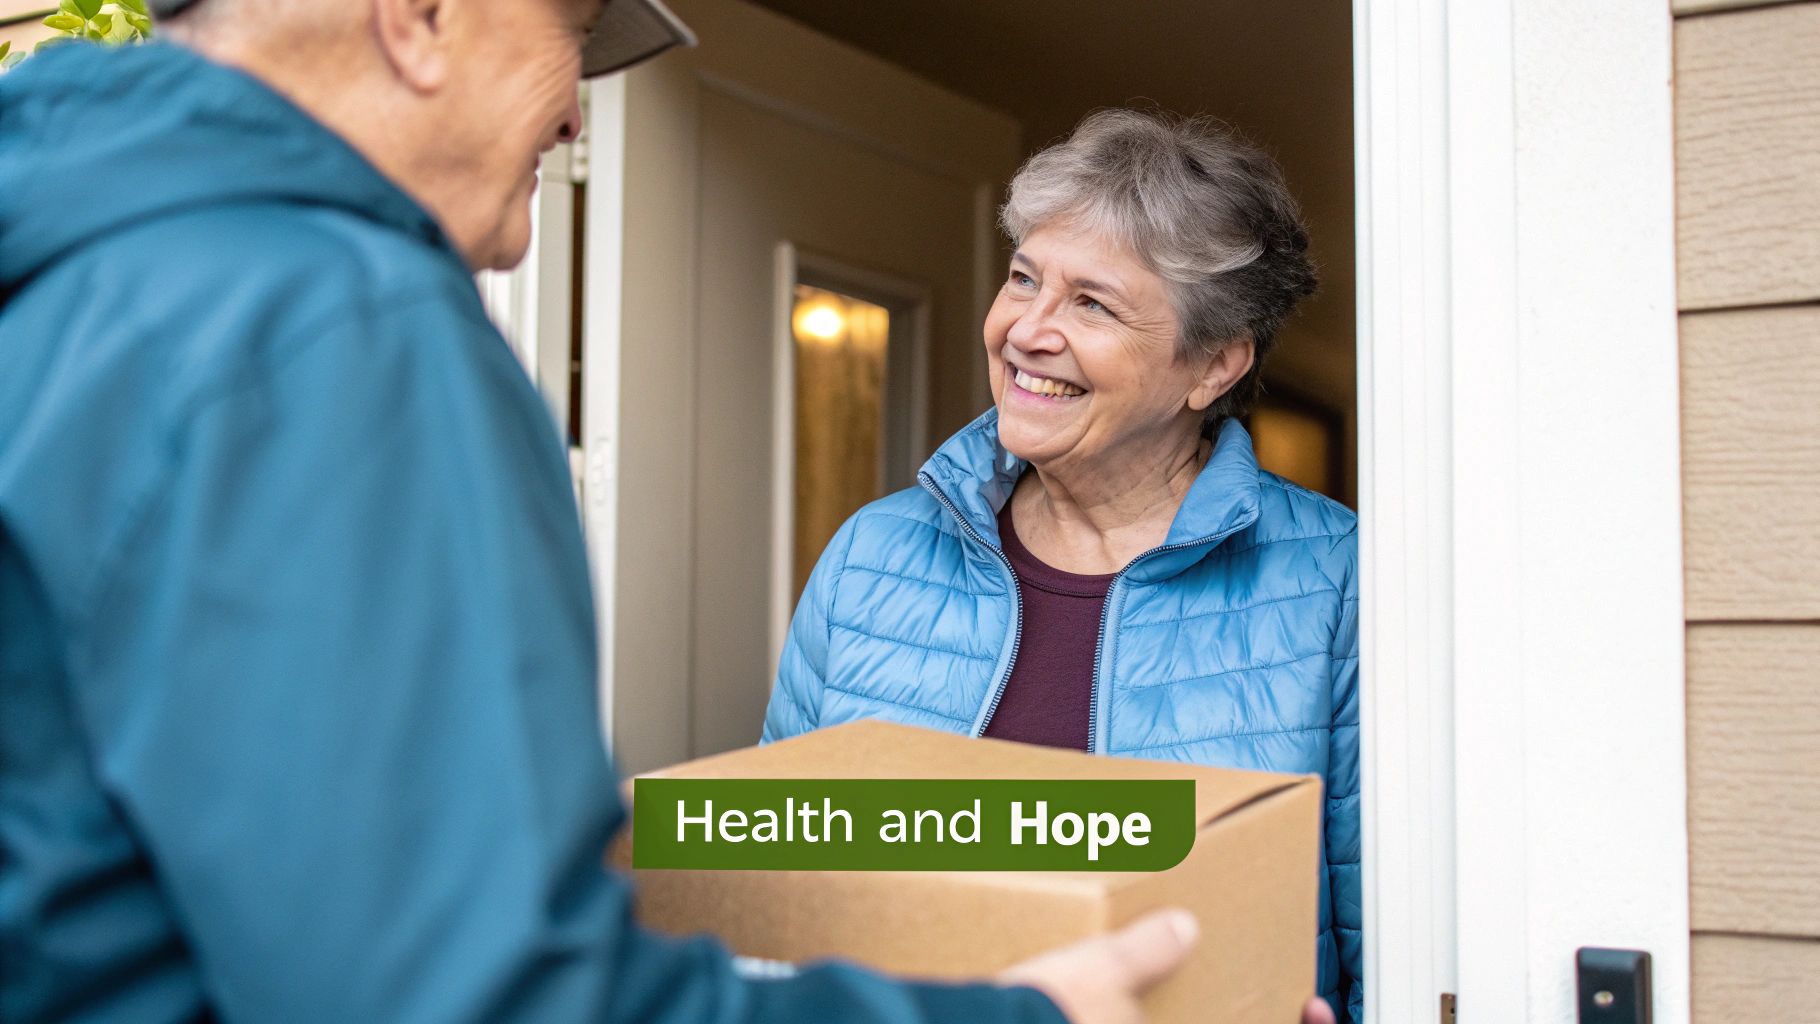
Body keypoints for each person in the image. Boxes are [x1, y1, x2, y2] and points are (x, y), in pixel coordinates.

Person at [0, 1, 1342, 1021]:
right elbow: (480, 988)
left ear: (1217, 363)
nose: (579, 116)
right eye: (574, 35)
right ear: (416, 15)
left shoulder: (79, 273)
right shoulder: (329, 320)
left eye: (1095, 303)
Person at [764, 109, 1361, 1021]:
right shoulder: (872, 556)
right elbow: (773, 881)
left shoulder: (1336, 582)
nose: (1025, 331)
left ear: (1211, 365)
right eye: (1023, 279)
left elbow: (1392, 937)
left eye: (1092, 303)